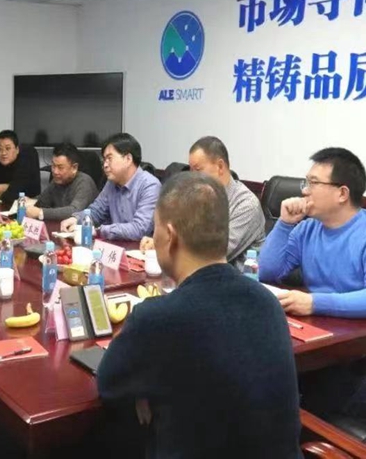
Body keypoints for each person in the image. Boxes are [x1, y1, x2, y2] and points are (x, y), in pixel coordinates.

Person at [97, 172, 301, 458]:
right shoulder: (267, 303)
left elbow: (108, 384)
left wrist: (143, 388)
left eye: (155, 229)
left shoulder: (157, 318)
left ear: (170, 236)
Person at [259, 147, 366, 318]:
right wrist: (285, 223)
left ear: (342, 193)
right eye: (306, 182)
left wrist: (315, 303)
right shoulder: (306, 229)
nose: (305, 190)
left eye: (313, 183)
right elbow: (266, 272)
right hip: (315, 323)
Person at [140, 136, 264, 265]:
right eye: (191, 170)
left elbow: (214, 252)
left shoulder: (246, 204)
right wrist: (159, 242)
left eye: (198, 170)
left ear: (220, 166)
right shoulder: (199, 196)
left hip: (235, 275)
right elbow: (182, 233)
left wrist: (167, 245)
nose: (193, 177)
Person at [60, 133, 160, 241]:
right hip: (117, 246)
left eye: (109, 158)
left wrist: (99, 230)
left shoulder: (150, 185)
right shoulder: (112, 183)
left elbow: (139, 229)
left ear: (128, 159)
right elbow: (96, 212)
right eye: (104, 160)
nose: (105, 165)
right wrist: (77, 219)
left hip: (140, 248)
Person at [26, 143, 98, 221]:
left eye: (60, 167)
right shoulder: (57, 181)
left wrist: (41, 212)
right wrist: (29, 201)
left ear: (74, 168)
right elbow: (42, 202)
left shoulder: (84, 182)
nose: (55, 171)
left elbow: (75, 211)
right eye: (53, 166)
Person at [0, 130, 41, 207]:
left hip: (26, 207)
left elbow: (11, 196)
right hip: (2, 207)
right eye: (0, 149)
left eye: (8, 148)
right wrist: (2, 187)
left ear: (17, 150)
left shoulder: (25, 161)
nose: (3, 153)